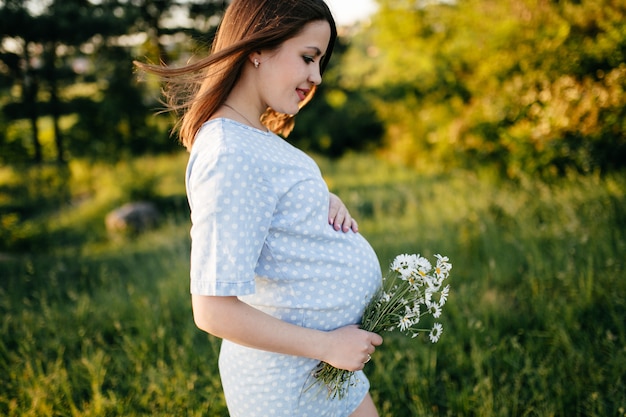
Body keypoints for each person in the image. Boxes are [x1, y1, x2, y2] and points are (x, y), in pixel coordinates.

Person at [135, 1, 383, 415]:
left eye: (319, 63)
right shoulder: (229, 151)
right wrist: (327, 344)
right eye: (308, 58)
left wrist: (319, 200)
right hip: (287, 388)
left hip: (321, 371)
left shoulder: (254, 135)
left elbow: (272, 209)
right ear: (258, 47)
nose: (316, 77)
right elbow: (212, 310)